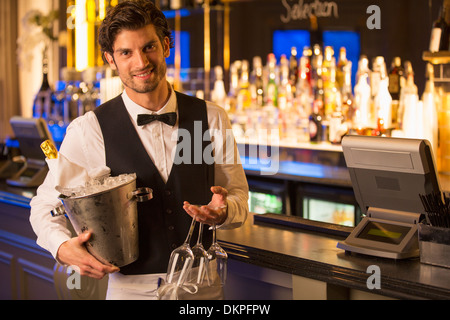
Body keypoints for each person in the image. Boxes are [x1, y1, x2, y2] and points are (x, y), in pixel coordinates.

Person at [29, 0, 248, 300]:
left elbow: (239, 198)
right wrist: (62, 246)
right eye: (126, 53)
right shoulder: (88, 130)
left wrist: (224, 212)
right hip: (130, 291)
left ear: (166, 46)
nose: (141, 62)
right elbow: (43, 206)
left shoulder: (211, 117)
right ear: (110, 59)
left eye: (149, 47)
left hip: (202, 288)